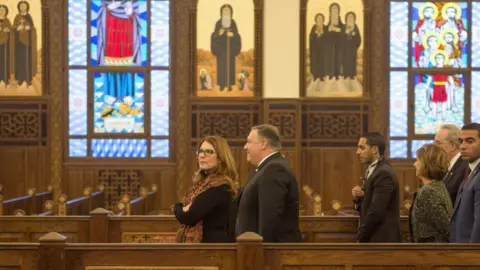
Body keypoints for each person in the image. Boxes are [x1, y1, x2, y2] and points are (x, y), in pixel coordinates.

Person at [235, 124, 302, 242]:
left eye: (249, 142)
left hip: (267, 254)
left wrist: (263, 254)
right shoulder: (265, 169)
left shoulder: (274, 169)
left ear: (263, 144)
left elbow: (270, 220)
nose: (245, 147)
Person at [174, 136, 238, 243]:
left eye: (208, 152)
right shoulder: (201, 185)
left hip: (213, 249)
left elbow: (189, 217)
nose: (202, 155)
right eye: (200, 151)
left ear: (220, 158)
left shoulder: (221, 187)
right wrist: (183, 209)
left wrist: (178, 207)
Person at [352, 132, 402, 242]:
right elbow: (367, 204)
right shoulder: (372, 170)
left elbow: (376, 211)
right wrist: (357, 198)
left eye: (362, 148)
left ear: (375, 149)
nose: (357, 152)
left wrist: (361, 236)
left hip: (381, 239)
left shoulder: (383, 173)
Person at [410, 144, 452, 242]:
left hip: (431, 251)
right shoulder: (438, 185)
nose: (414, 164)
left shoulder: (429, 191)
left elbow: (446, 227)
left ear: (426, 164)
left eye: (417, 160)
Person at [450, 123, 480, 243]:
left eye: (470, 141)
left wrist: (471, 253)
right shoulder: (470, 170)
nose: (462, 146)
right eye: (461, 141)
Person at [434, 124, 468, 205]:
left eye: (438, 143)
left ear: (452, 146)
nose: (434, 147)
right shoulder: (446, 166)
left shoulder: (465, 167)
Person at [210, 4, 241, 91]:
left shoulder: (233, 23)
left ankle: (230, 85)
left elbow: (237, 36)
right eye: (224, 10)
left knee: (230, 67)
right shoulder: (218, 23)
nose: (226, 12)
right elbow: (214, 36)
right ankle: (222, 85)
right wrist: (219, 34)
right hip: (221, 51)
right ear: (221, 12)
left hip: (230, 50)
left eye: (228, 10)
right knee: (221, 67)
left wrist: (233, 35)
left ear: (230, 12)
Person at [13, 0, 37, 86]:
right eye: (21, 6)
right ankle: (20, 78)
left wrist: (29, 28)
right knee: (20, 60)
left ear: (27, 7)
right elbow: (14, 28)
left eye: (24, 6)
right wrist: (17, 28)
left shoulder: (29, 16)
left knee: (27, 59)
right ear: (19, 7)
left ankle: (28, 79)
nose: (22, 7)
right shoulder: (17, 17)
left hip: (28, 43)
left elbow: (33, 28)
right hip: (19, 43)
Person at [0, 4, 12, 85]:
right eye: (0, 10)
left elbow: (11, 31)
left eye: (3, 10)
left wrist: (7, 30)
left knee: (4, 60)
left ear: (6, 12)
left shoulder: (7, 21)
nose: (1, 11)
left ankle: (5, 78)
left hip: (5, 43)